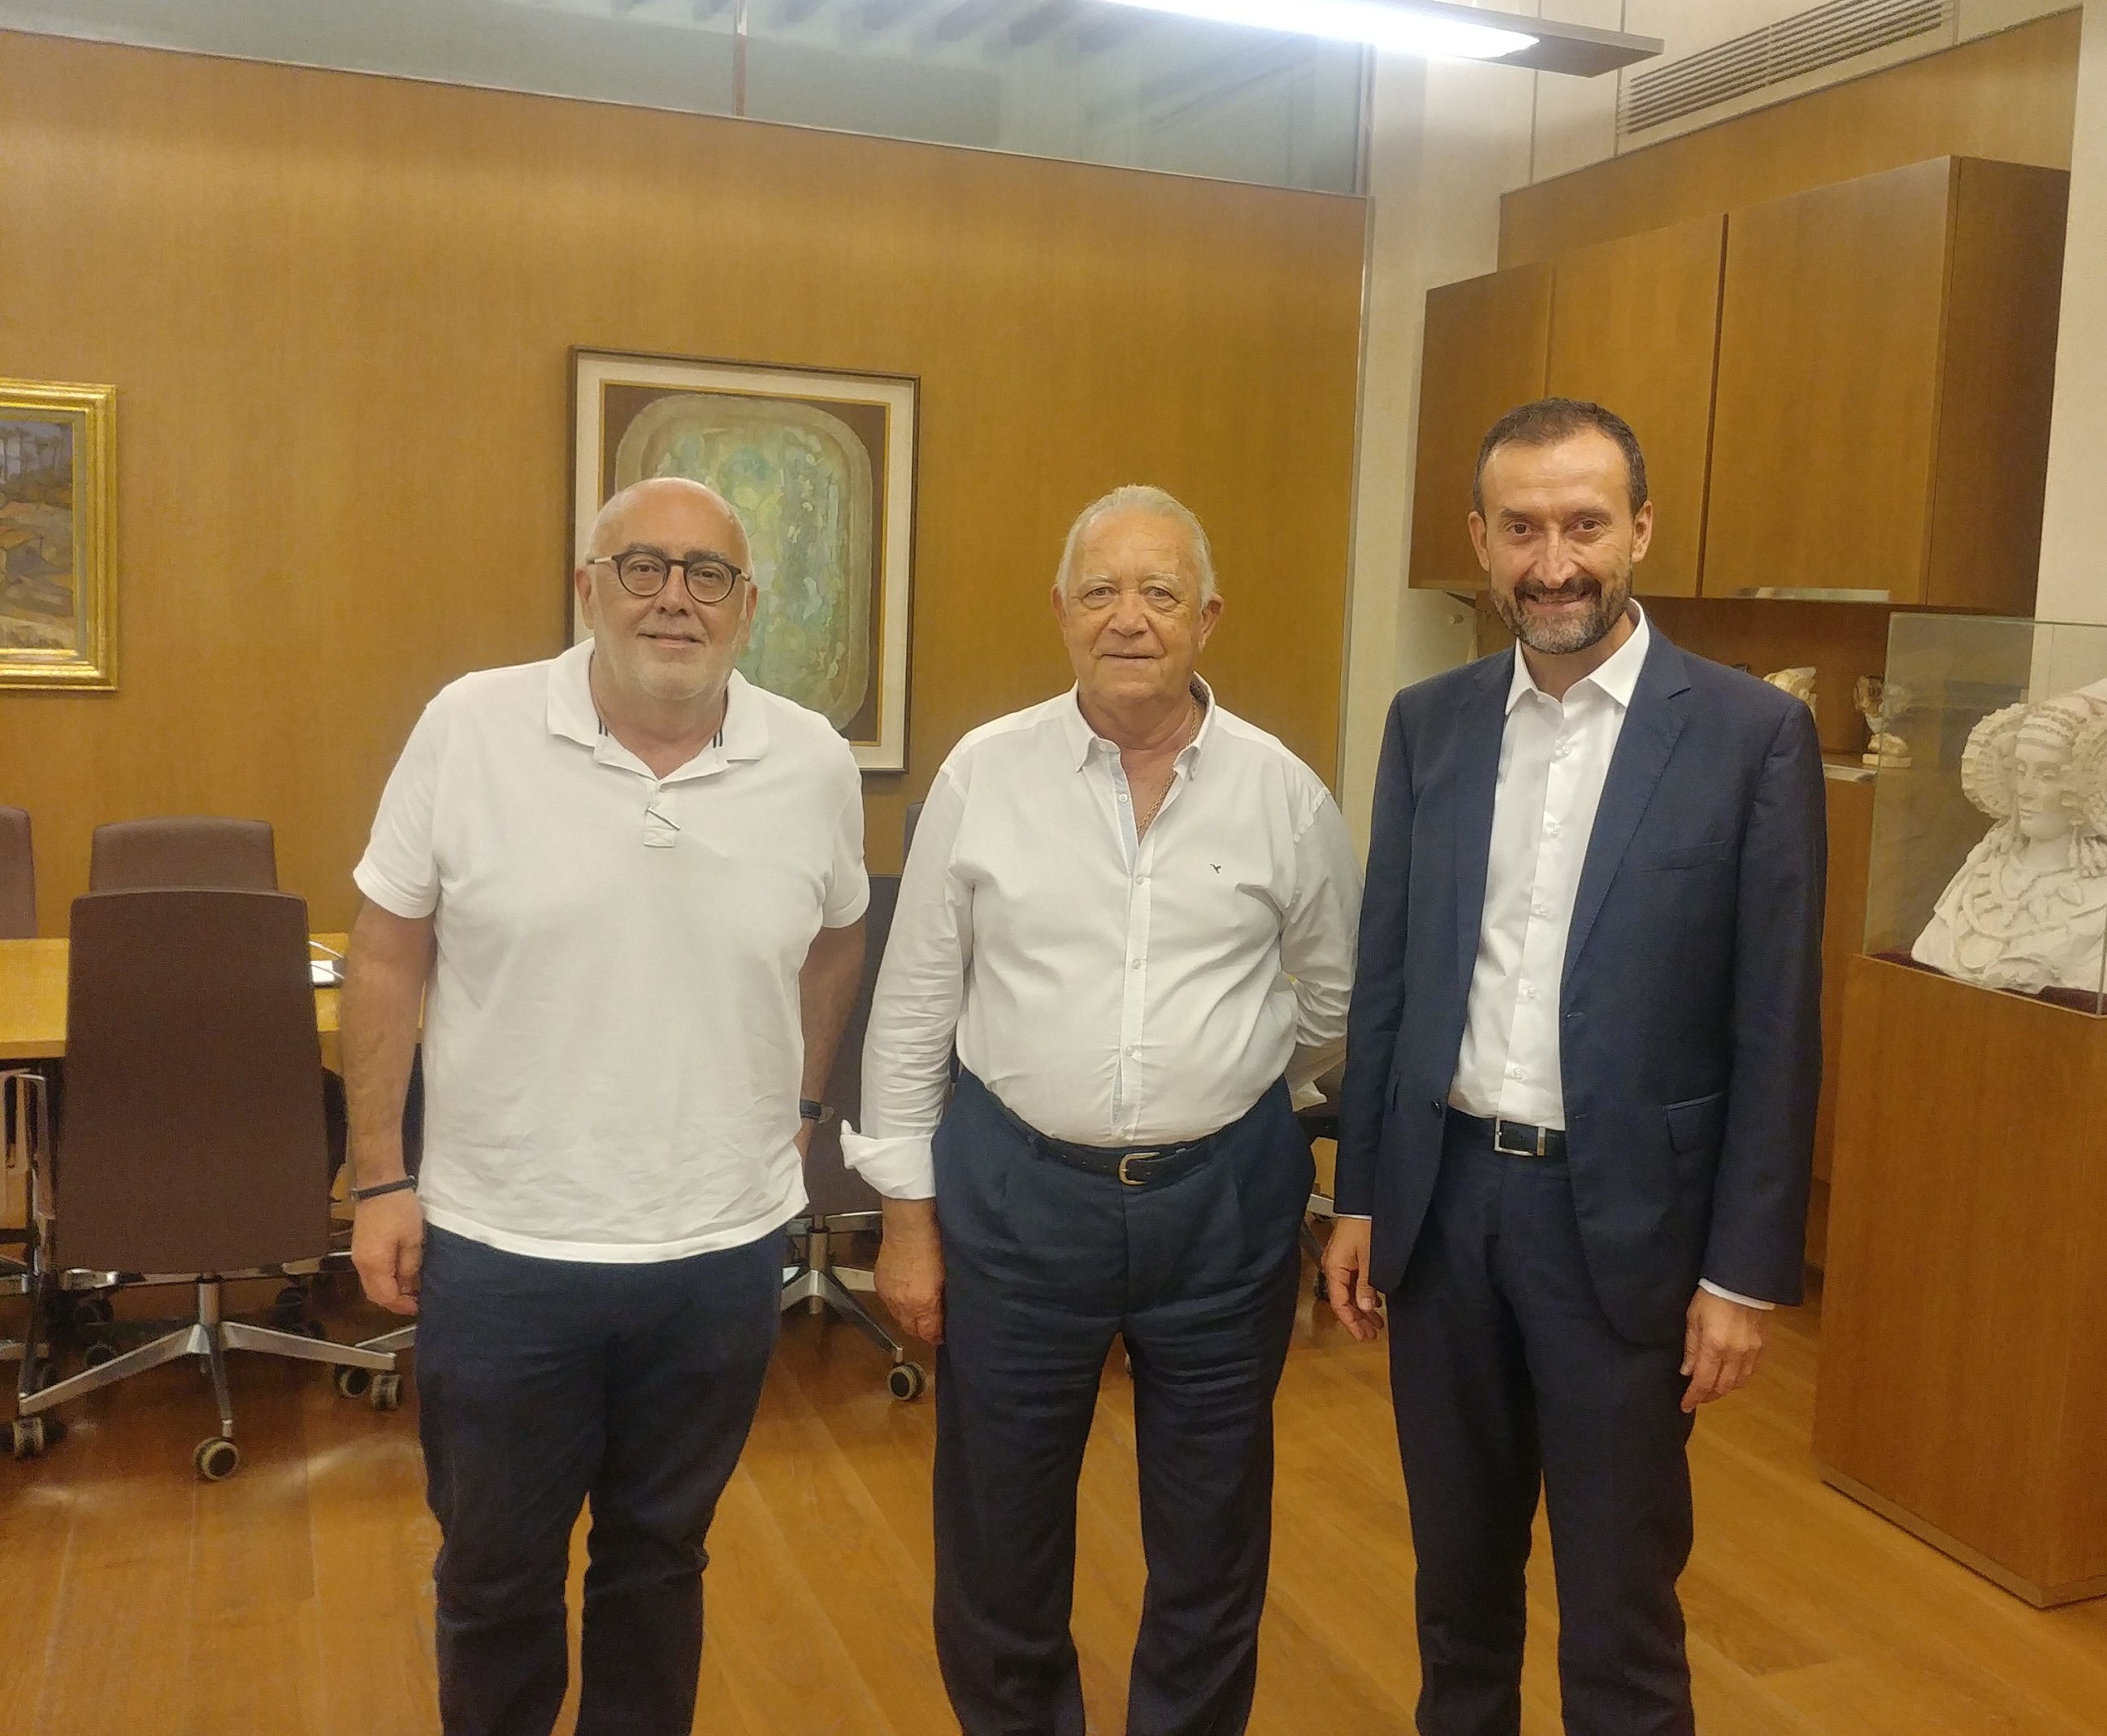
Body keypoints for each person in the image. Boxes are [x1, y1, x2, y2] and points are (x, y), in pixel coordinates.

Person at [1324, 400, 1826, 1734]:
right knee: (1457, 1591)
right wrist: (1362, 1193)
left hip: (1629, 1232)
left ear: (1640, 531)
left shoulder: (1748, 737)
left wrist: (1744, 1274)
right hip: (1446, 1215)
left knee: (1619, 1612)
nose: (1555, 563)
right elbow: (1390, 979)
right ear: (1480, 541)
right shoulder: (1428, 724)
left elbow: (1778, 1023)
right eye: (1524, 528)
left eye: (1585, 524)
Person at [344, 477, 870, 1736]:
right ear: (589, 588)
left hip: (717, 1250)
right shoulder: (472, 726)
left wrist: (801, 1106)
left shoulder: (809, 759)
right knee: (494, 1572)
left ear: (749, 607)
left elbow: (838, 938)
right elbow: (386, 950)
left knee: (659, 1559)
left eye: (708, 575)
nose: (674, 598)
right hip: (505, 1246)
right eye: (643, 567)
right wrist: (378, 1175)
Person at [852, 485, 1360, 1736]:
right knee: (1000, 1533)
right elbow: (911, 1012)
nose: (1129, 617)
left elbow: (1337, 1003)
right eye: (1101, 591)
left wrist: (1231, 1080)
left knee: (1213, 1532)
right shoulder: (983, 775)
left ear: (1208, 617)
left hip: (1225, 1206)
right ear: (1063, 611)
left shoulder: (1284, 793)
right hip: (1017, 1199)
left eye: (1159, 591)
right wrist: (907, 1222)